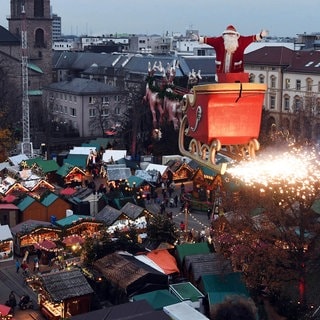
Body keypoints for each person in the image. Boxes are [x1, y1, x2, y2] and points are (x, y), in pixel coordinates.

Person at [193, 25, 268, 75]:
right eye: (228, 35)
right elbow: (209, 40)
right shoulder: (219, 41)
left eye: (232, 35)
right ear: (225, 36)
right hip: (221, 73)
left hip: (236, 73)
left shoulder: (241, 41)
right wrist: (199, 39)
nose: (230, 36)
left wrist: (261, 35)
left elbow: (251, 38)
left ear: (235, 35)